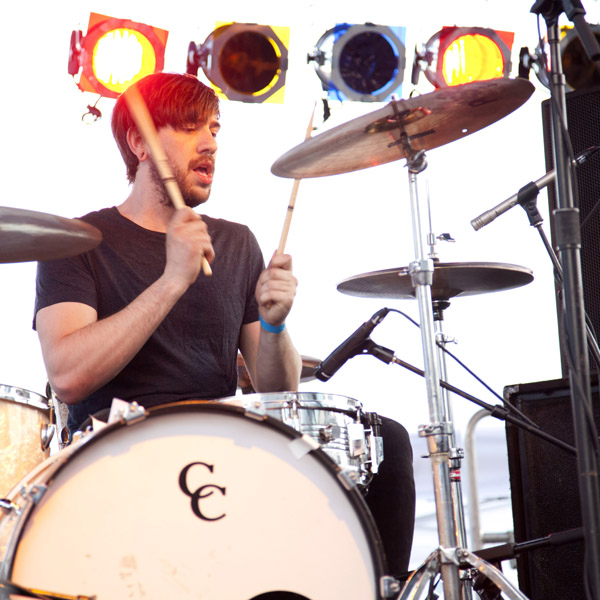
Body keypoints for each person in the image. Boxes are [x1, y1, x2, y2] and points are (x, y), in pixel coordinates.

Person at [33, 72, 414, 577]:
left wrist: (275, 326)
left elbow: (278, 388)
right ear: (139, 144)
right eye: (190, 127)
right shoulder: (77, 242)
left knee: (386, 441)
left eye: (214, 128)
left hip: (225, 449)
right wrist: (172, 281)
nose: (210, 143)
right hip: (119, 455)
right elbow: (68, 375)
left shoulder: (235, 243)